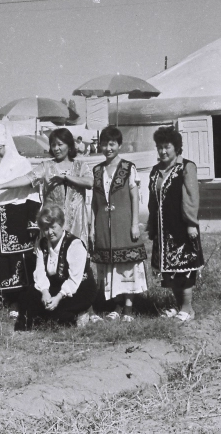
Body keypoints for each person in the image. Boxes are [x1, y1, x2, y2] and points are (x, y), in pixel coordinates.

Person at [0, 122, 41, 317]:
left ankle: (21, 301)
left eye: (0, 148)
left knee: (18, 261)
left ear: (7, 146)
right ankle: (4, 297)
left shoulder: (21, 164)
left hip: (16, 221)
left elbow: (32, 194)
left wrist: (32, 222)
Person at [0, 127, 93, 241]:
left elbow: (90, 182)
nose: (56, 148)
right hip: (52, 223)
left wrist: (66, 177)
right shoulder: (46, 166)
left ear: (69, 145)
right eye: (53, 145)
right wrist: (1, 186)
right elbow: (26, 178)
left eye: (60, 144)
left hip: (76, 224)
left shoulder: (81, 166)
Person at [148, 126, 204, 322]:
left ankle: (188, 308)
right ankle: (179, 305)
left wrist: (191, 223)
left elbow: (191, 197)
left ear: (176, 147)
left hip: (181, 226)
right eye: (160, 147)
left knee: (184, 267)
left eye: (167, 147)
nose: (163, 151)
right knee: (169, 271)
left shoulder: (186, 167)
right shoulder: (155, 171)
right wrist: (151, 225)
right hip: (163, 229)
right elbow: (152, 200)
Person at [90, 126, 146, 322]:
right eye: (104, 144)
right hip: (104, 225)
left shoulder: (128, 168)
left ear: (119, 145)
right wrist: (92, 228)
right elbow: (94, 203)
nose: (107, 148)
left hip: (123, 223)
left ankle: (129, 309)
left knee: (127, 265)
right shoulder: (96, 171)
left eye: (112, 144)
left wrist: (134, 224)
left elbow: (134, 196)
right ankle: (115, 305)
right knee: (110, 266)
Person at [15, 205, 96, 330]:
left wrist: (58, 298)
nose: (50, 232)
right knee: (28, 296)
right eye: (46, 228)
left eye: (53, 227)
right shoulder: (42, 244)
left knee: (58, 315)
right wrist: (45, 293)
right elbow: (40, 272)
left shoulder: (74, 244)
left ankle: (80, 313)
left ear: (62, 225)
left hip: (79, 287)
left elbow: (74, 279)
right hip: (56, 284)